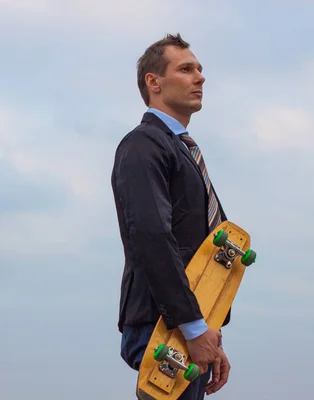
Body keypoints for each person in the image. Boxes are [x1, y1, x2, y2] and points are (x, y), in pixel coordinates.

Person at [110, 33, 232, 398]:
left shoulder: (180, 149)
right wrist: (194, 329)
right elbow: (151, 237)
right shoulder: (145, 144)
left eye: (199, 69)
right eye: (186, 69)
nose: (200, 77)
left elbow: (198, 251)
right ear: (154, 82)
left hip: (185, 328)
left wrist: (208, 334)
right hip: (163, 329)